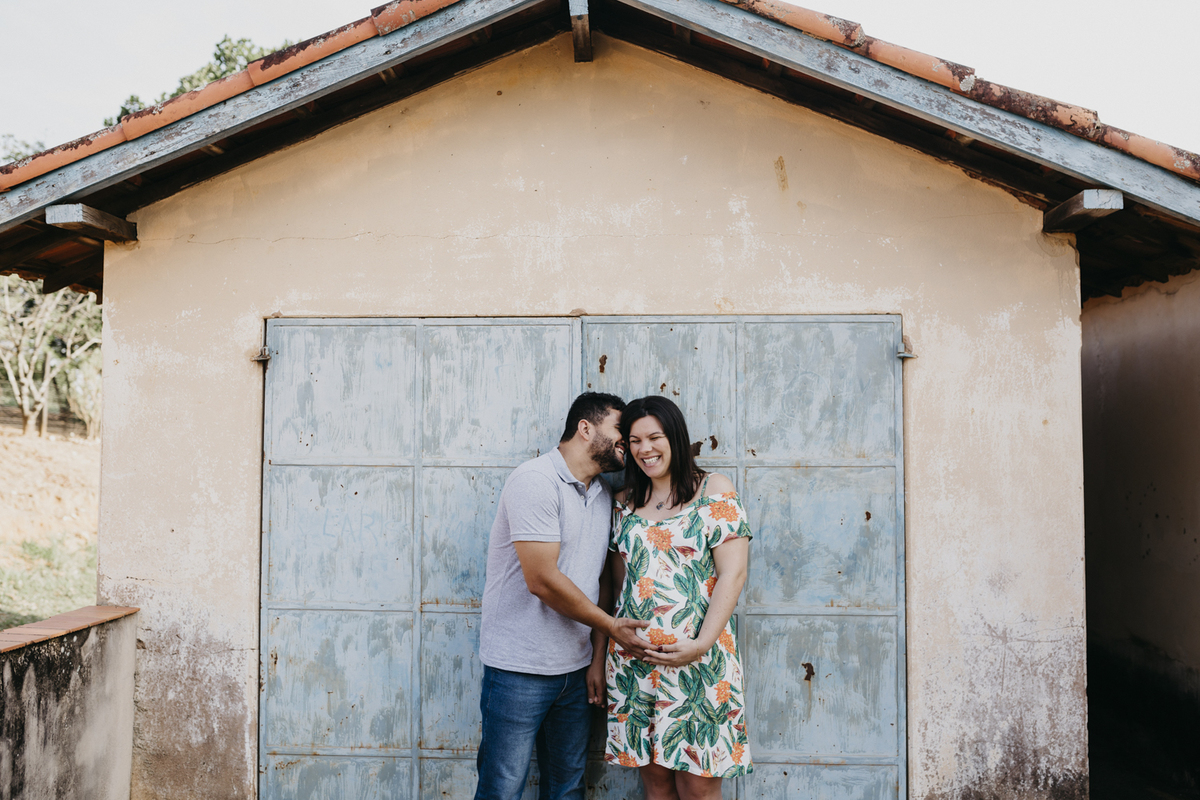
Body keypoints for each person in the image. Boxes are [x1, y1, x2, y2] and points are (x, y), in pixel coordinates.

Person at [474, 392, 652, 800]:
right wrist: (611, 627)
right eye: (619, 432)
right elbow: (542, 579)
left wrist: (596, 655)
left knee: (567, 789)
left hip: (574, 673)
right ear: (585, 428)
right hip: (518, 670)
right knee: (502, 788)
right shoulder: (535, 480)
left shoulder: (604, 494)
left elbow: (602, 579)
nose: (627, 441)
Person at [602, 395, 753, 800]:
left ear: (675, 436)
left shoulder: (714, 490)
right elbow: (620, 589)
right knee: (655, 783)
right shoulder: (624, 504)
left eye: (654, 437)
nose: (644, 449)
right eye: (634, 441)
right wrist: (606, 655)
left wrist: (700, 644)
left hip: (699, 660)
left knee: (698, 785)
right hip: (636, 664)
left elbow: (733, 573)